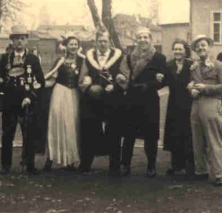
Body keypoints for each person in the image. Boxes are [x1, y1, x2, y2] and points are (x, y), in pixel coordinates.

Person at [119, 27, 167, 178]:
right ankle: (125, 165)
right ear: (136, 40)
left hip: (150, 99)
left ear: (151, 39)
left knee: (151, 135)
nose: (143, 40)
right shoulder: (128, 57)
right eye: (140, 38)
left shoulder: (159, 58)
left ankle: (151, 166)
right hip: (132, 99)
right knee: (128, 133)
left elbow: (163, 80)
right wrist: (123, 82)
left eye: (146, 37)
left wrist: (150, 85)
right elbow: (124, 77)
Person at [78, 30, 125, 175]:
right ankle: (86, 163)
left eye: (105, 41)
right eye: (100, 41)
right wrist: (88, 86)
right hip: (93, 99)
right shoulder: (89, 57)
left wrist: (116, 86)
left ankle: (115, 165)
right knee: (89, 130)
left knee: (114, 130)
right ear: (96, 42)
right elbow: (82, 76)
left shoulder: (118, 56)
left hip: (112, 98)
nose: (103, 44)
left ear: (109, 42)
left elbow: (124, 75)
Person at [0, 24, 45, 175]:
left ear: (26, 41)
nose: (19, 41)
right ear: (11, 41)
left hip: (27, 102)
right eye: (16, 39)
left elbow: (40, 82)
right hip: (9, 102)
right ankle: (5, 166)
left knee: (29, 135)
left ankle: (29, 165)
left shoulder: (33, 59)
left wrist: (30, 97)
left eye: (22, 38)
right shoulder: (4, 58)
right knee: (8, 134)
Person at [188, 35, 222, 187]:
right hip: (196, 104)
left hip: (212, 102)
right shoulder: (194, 66)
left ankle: (220, 173)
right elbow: (191, 83)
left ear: (209, 46)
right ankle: (201, 170)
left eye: (203, 45)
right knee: (197, 139)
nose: (201, 48)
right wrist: (191, 89)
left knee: (214, 139)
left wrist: (207, 88)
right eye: (198, 47)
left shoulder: (219, 65)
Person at [43, 35, 85, 171]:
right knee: (57, 123)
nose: (73, 47)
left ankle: (72, 160)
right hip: (60, 93)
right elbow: (52, 78)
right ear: (65, 46)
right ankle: (51, 157)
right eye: (71, 44)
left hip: (74, 94)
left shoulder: (82, 61)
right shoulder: (60, 60)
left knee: (73, 125)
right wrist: (39, 85)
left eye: (76, 44)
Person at [163, 39, 194, 177]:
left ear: (185, 50)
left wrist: (193, 82)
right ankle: (175, 165)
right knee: (174, 132)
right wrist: (158, 77)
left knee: (188, 133)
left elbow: (198, 77)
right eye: (175, 49)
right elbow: (162, 81)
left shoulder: (191, 64)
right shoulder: (168, 65)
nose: (177, 51)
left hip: (188, 103)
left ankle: (189, 165)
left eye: (180, 49)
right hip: (174, 103)